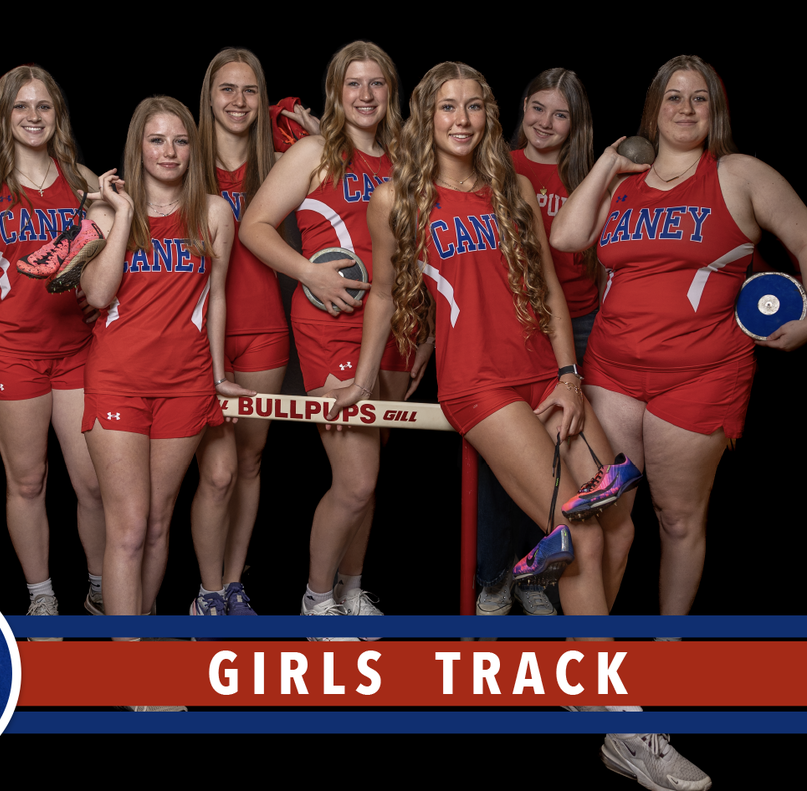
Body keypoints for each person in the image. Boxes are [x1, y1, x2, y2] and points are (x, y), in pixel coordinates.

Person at [329, 60, 710, 791]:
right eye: (447, 108)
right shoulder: (395, 199)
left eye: (474, 106)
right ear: (426, 118)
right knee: (583, 532)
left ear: (488, 115)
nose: (463, 120)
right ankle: (625, 727)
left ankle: (579, 662)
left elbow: (550, 294)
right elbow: (382, 294)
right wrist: (363, 373)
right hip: (480, 383)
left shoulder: (514, 190)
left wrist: (570, 377)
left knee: (623, 520)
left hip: (545, 371)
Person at [552, 55, 807, 620]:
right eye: (673, 97)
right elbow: (567, 237)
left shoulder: (738, 174)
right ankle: (593, 665)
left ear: (715, 111)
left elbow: (806, 236)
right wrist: (610, 162)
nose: (685, 109)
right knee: (607, 516)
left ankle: (667, 651)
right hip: (612, 371)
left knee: (677, 517)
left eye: (699, 98)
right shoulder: (625, 183)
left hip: (700, 375)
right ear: (654, 109)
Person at [241, 41, 429, 636]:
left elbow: (422, 250)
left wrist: (424, 324)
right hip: (330, 320)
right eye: (354, 84)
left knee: (371, 470)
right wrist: (306, 270)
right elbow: (254, 226)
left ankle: (351, 590)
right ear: (336, 93)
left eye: (377, 84)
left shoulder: (407, 157)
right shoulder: (316, 150)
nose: (366, 95)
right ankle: (316, 599)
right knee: (356, 479)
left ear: (391, 92)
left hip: (395, 322)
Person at [78, 96, 250, 632]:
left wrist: (219, 375)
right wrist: (124, 212)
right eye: (157, 140)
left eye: (179, 140)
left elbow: (217, 298)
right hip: (118, 382)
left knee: (156, 524)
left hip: (186, 384)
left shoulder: (214, 212)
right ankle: (133, 671)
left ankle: (142, 640)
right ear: (138, 147)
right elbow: (98, 293)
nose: (170, 151)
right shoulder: (103, 211)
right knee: (126, 528)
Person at [0, 65, 106, 635]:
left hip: (77, 348)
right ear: (4, 117)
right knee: (28, 480)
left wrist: (96, 294)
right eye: (22, 107)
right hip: (9, 350)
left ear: (56, 115)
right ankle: (42, 596)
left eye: (43, 106)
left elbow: (102, 265)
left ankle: (99, 586)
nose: (33, 116)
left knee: (92, 481)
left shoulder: (84, 179)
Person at [476, 69, 600, 618]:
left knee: (564, 459)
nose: (546, 123)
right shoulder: (496, 165)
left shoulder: (589, 176)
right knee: (509, 463)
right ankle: (495, 577)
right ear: (521, 109)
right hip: (516, 325)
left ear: (577, 125)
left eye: (561, 114)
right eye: (538, 108)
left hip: (579, 326)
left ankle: (538, 579)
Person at [187, 49, 289, 619]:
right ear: (209, 97)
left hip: (264, 329)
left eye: (250, 91)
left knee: (249, 464)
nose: (238, 102)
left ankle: (232, 586)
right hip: (202, 331)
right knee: (217, 471)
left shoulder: (276, 164)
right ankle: (206, 591)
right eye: (227, 90)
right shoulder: (184, 158)